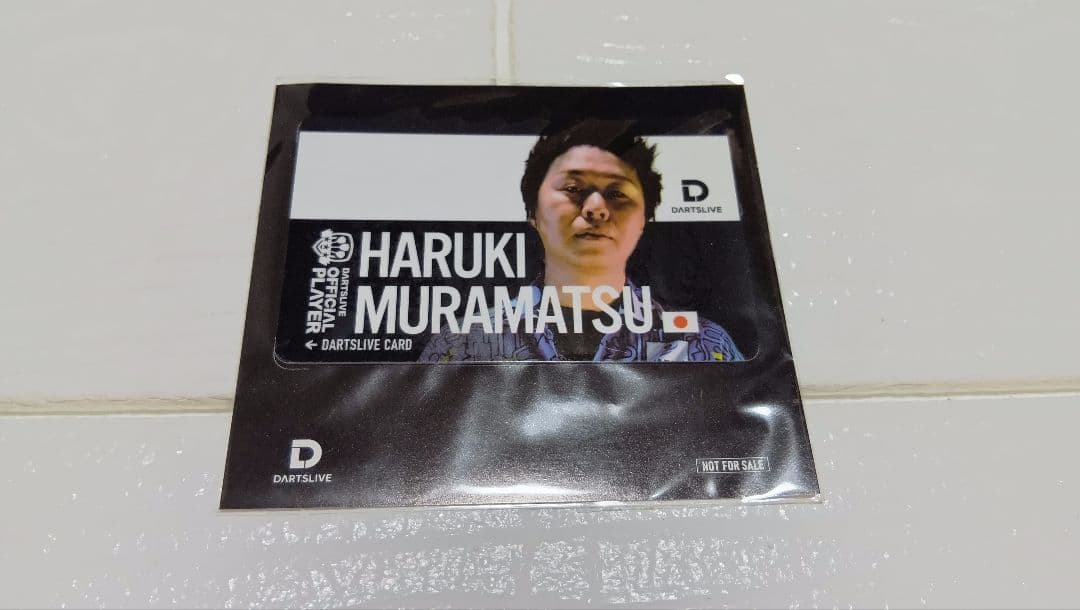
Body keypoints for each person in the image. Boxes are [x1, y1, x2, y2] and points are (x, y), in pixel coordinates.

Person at [419, 120, 745, 362]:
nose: (596, 208)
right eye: (573, 189)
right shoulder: (462, 343)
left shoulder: (703, 344)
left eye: (617, 193)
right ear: (532, 212)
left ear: (644, 219)